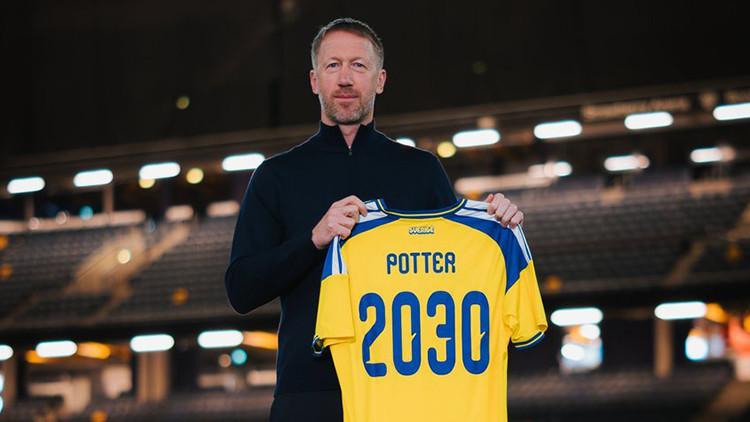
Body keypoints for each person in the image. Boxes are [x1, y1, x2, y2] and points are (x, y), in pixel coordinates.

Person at [224, 17, 525, 422]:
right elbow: (241, 290)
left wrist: (498, 225)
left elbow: (459, 270)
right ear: (314, 80)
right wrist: (313, 239)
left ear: (380, 80)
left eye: (358, 65)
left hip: (404, 392)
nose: (345, 79)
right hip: (310, 391)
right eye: (333, 65)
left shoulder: (420, 170)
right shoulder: (276, 176)